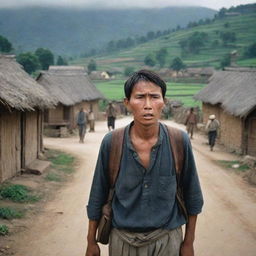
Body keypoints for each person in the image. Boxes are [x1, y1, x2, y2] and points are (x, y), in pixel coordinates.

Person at [86, 70, 203, 256]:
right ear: (127, 103)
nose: (147, 105)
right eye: (140, 97)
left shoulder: (179, 141)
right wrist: (91, 241)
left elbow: (193, 196)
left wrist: (188, 243)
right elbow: (97, 194)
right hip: (122, 241)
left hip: (167, 239)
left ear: (163, 102)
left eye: (154, 97)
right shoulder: (112, 142)